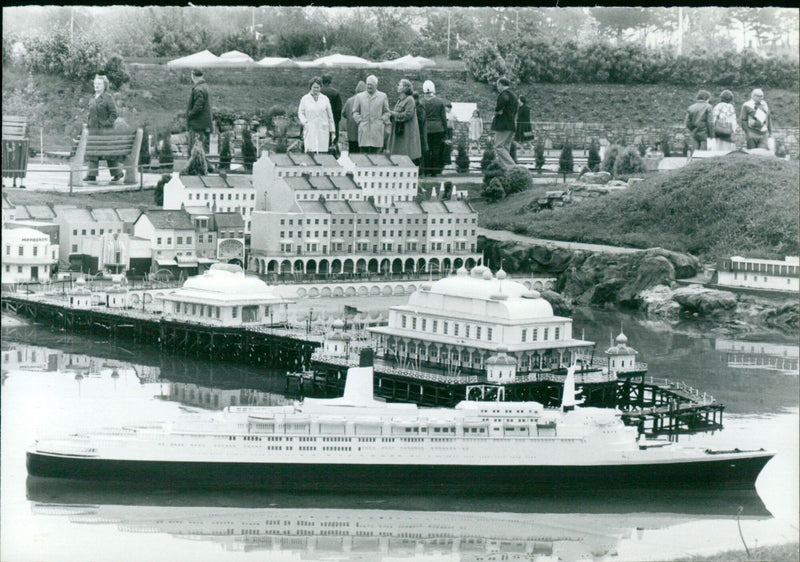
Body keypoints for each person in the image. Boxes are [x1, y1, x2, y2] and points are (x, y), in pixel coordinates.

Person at [84, 73, 122, 183]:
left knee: (107, 152)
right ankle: (92, 175)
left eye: (99, 84)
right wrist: (88, 124)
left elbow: (114, 114)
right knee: (92, 152)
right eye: (95, 83)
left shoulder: (108, 98)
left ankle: (117, 173)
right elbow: (90, 114)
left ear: (104, 85)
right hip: (93, 130)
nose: (96, 85)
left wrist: (106, 124)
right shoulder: (92, 98)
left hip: (105, 131)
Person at [352, 75, 390, 154]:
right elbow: (355, 111)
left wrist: (382, 120)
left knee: (376, 156)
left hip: (377, 130)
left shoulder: (383, 96)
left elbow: (387, 112)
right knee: (363, 156)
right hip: (364, 129)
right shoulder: (359, 96)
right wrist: (359, 121)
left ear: (376, 85)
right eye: (368, 84)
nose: (369, 86)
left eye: (371, 84)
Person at [388, 78, 422, 165]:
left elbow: (408, 115)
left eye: (400, 85)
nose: (398, 86)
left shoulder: (410, 100)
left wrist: (393, 114)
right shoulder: (400, 99)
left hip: (406, 133)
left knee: (405, 155)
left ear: (405, 88)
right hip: (399, 132)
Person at [298, 76, 335, 154]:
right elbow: (301, 113)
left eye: (318, 87)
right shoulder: (305, 99)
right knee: (310, 151)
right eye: (314, 87)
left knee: (322, 152)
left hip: (322, 128)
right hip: (310, 128)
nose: (316, 89)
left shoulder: (325, 99)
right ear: (310, 87)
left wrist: (332, 131)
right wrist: (305, 122)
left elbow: (330, 117)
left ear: (320, 88)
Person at [421, 80, 447, 176]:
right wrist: (445, 131)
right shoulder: (439, 102)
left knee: (426, 149)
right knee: (436, 150)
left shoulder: (421, 102)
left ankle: (427, 169)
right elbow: (443, 118)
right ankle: (435, 171)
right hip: (438, 129)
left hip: (425, 129)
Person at [492, 77, 518, 169]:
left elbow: (504, 100)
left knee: (498, 146)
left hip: (503, 124)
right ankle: (504, 168)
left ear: (500, 85)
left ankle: (512, 167)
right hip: (511, 124)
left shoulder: (504, 94)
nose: (497, 87)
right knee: (505, 147)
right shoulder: (514, 95)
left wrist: (497, 111)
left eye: (497, 85)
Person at [186, 68, 212, 155]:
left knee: (194, 151)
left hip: (197, 125)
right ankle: (209, 168)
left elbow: (198, 107)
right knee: (200, 150)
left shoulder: (198, 89)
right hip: (203, 124)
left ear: (193, 76)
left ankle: (208, 168)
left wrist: (189, 115)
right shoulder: (205, 87)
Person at [341, 81, 366, 154]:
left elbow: (344, 113)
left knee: (352, 152)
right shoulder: (365, 101)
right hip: (362, 133)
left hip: (351, 132)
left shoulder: (349, 100)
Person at [320, 74, 343, 147]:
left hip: (320, 122)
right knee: (332, 144)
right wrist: (336, 122)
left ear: (322, 82)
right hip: (332, 122)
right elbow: (338, 110)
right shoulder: (335, 93)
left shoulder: (318, 92)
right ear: (330, 82)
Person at [412, 91, 428, 170]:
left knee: (420, 152)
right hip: (416, 133)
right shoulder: (417, 107)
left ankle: (421, 170)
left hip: (420, 133)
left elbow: (421, 120)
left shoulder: (420, 108)